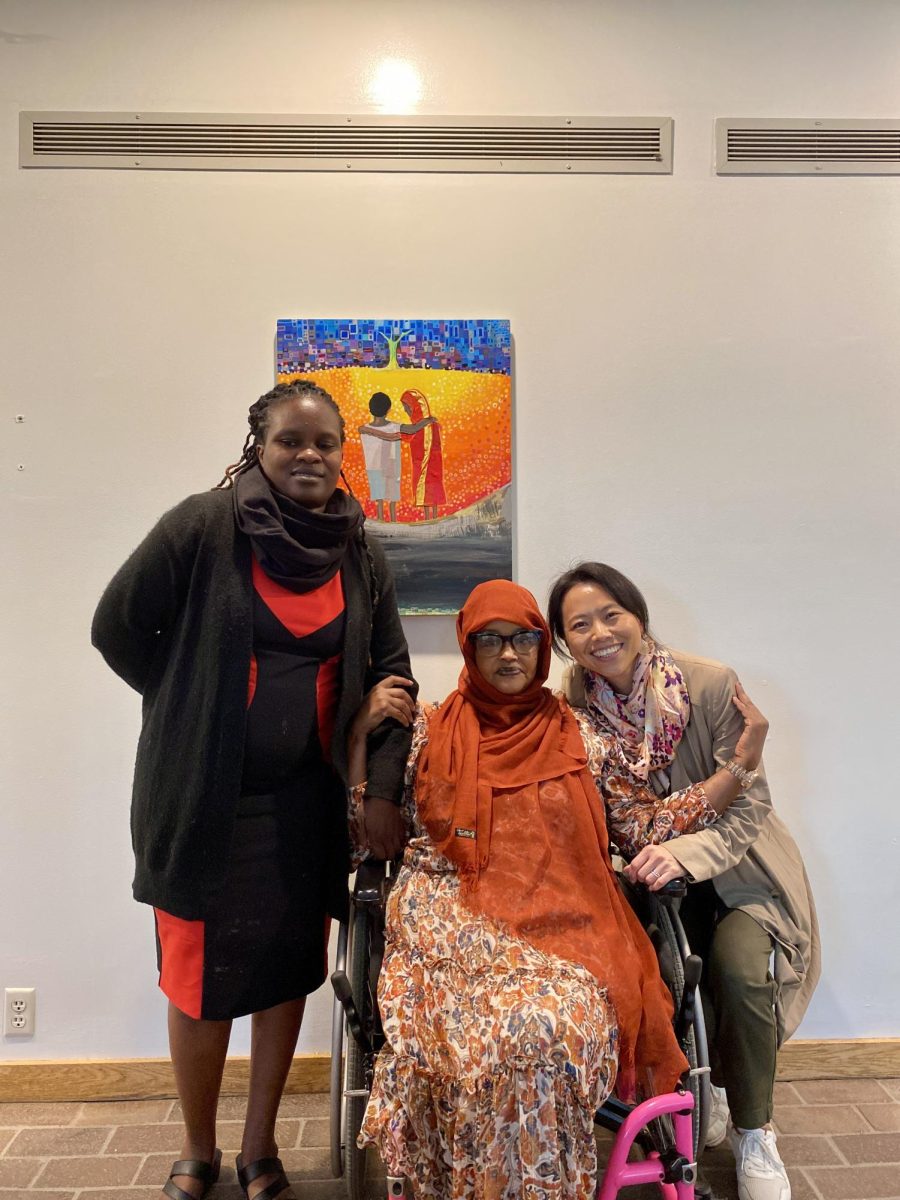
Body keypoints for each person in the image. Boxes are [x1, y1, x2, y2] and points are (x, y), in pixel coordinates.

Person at [91, 379, 415, 1200]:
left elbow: (391, 674)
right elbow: (116, 625)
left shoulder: (358, 549)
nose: (308, 456)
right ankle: (197, 1151)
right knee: (199, 987)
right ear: (259, 448)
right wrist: (184, 697)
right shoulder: (203, 526)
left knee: (282, 979)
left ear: (344, 454)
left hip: (305, 807)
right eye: (290, 442)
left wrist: (379, 790)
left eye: (324, 444)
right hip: (204, 802)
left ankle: (259, 1149)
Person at [347, 579, 768, 1199]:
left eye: (523, 638)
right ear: (468, 646)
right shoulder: (427, 732)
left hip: (567, 922)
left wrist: (738, 765)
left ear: (544, 648)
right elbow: (369, 842)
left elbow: (646, 823)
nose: (508, 654)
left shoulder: (582, 735)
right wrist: (359, 736)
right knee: (475, 1041)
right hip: (447, 919)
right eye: (490, 640)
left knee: (545, 1027)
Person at [547, 562, 820, 1200]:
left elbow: (750, 805)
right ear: (564, 641)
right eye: (579, 625)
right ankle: (701, 1089)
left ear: (638, 616)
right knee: (651, 979)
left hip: (740, 874)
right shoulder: (576, 702)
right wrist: (727, 777)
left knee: (744, 973)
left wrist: (686, 853)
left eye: (612, 614)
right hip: (645, 878)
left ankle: (756, 1131)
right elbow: (622, 817)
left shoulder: (710, 684)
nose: (600, 633)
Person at [400, 387, 445, 518]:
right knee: (427, 490)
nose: (405, 410)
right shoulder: (422, 424)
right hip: (421, 463)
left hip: (429, 464)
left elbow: (408, 435)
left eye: (406, 406)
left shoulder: (428, 425)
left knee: (429, 489)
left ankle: (433, 517)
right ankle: (428, 517)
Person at [359, 391, 403, 522]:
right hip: (391, 465)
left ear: (370, 409)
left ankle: (381, 521)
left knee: (380, 498)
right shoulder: (396, 427)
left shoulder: (364, 428)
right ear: (388, 409)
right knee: (392, 498)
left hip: (374, 467)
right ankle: (393, 522)